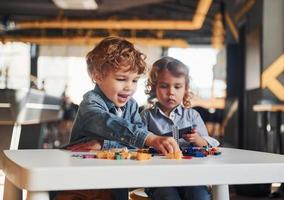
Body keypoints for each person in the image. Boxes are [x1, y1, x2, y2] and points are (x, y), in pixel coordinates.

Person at [55, 37, 179, 200]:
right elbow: (109, 123)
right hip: (81, 185)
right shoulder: (91, 103)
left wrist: (104, 144)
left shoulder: (132, 106)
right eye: (121, 79)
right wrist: (147, 138)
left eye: (134, 80)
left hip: (115, 184)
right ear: (97, 76)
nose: (129, 87)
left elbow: (136, 146)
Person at [140, 56, 220, 200]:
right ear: (153, 88)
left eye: (177, 86)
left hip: (192, 176)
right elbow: (138, 143)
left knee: (200, 197)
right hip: (158, 178)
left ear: (185, 89)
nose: (171, 92)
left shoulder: (192, 115)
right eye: (164, 86)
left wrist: (197, 139)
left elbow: (209, 145)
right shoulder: (146, 116)